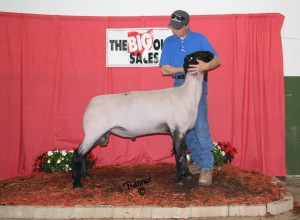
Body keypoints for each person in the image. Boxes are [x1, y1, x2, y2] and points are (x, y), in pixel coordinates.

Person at [159, 10, 221, 186]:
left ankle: (207, 167)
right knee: (186, 128)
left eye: (178, 28)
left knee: (200, 125)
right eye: (172, 27)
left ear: (187, 25)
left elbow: (217, 59)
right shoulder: (169, 42)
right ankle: (198, 162)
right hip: (179, 87)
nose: (174, 30)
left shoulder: (199, 38)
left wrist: (205, 65)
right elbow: (165, 69)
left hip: (197, 86)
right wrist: (185, 68)